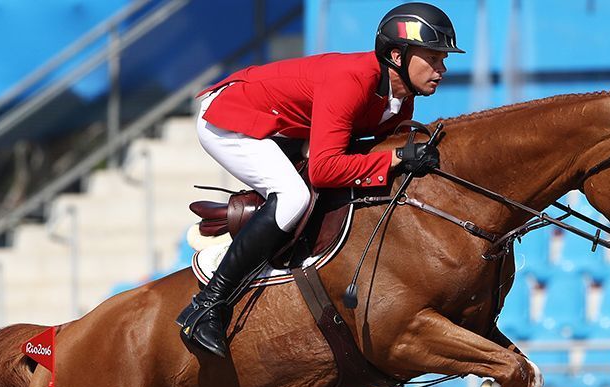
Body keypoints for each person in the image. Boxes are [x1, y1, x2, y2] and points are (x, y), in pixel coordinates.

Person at [177, 2, 465, 358]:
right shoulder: (353, 80)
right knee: (293, 196)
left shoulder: (399, 98)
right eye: (433, 57)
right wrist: (393, 159)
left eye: (443, 59)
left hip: (286, 124)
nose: (442, 68)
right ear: (396, 55)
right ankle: (206, 306)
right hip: (232, 119)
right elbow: (325, 169)